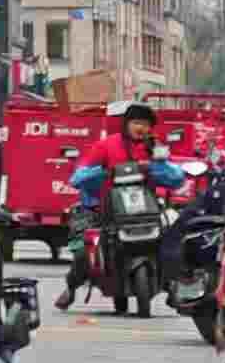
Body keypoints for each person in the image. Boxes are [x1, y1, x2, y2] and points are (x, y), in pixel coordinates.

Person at [54, 104, 186, 311]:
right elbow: (78, 177)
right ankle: (71, 287)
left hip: (147, 211)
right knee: (83, 251)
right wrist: (104, 171)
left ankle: (174, 287)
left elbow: (176, 178)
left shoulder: (155, 147)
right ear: (126, 124)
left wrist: (155, 166)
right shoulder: (105, 146)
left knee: (173, 240)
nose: (141, 128)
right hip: (106, 211)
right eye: (136, 123)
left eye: (146, 124)